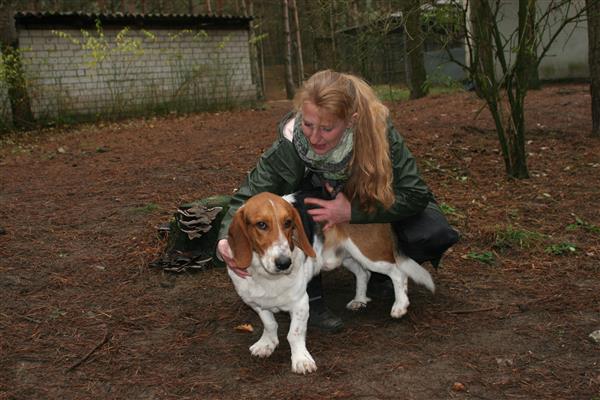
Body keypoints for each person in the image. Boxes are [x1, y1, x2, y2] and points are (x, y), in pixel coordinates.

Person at [216, 69, 458, 332]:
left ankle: (379, 272)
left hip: (373, 204)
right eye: (308, 124)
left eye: (327, 128)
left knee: (433, 234)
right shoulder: (290, 142)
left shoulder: (381, 134)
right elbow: (249, 193)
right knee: (301, 206)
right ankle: (310, 299)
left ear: (351, 121)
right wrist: (224, 239)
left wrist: (351, 212)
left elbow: (415, 194)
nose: (313, 137)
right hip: (320, 208)